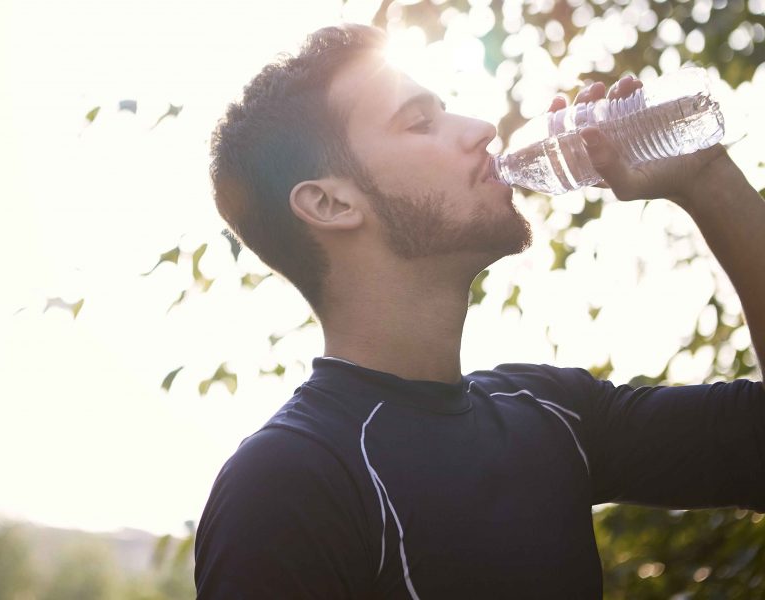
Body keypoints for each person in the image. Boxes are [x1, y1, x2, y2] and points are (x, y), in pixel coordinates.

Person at [194, 23, 765, 599]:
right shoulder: (288, 482)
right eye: (421, 123)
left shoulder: (550, 411)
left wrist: (706, 179)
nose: (483, 130)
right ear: (331, 202)